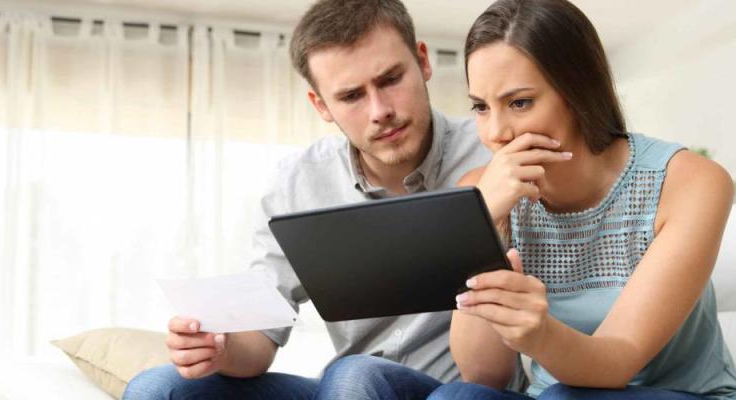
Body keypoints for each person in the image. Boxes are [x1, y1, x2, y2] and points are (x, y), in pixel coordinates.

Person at [123, 0, 521, 399]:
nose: (380, 111)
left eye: (390, 80)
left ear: (423, 62)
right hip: (348, 391)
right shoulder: (299, 185)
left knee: (355, 374)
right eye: (351, 96)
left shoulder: (495, 152)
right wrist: (219, 347)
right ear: (321, 105)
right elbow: (259, 339)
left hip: (446, 390)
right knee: (155, 387)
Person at [427, 0, 736, 399]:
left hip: (677, 394)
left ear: (578, 93)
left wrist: (541, 334)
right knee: (452, 397)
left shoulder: (689, 182)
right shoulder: (482, 192)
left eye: (520, 103)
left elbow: (618, 361)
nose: (496, 133)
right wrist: (483, 223)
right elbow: (482, 374)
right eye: (480, 107)